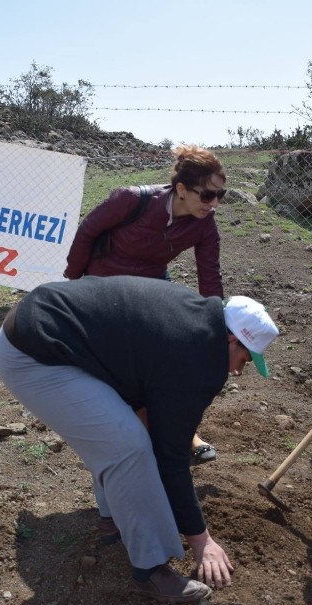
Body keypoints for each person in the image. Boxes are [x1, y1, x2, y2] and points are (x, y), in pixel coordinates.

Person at [0, 275, 280, 602]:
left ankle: (112, 519)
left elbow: (144, 388)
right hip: (34, 355)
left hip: (51, 331)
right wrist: (202, 542)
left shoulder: (196, 321)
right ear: (232, 340)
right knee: (128, 445)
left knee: (123, 428)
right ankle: (151, 570)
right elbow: (171, 458)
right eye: (245, 360)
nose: (238, 371)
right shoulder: (197, 359)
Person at [64, 144, 227, 465]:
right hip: (103, 288)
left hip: (150, 289)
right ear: (181, 189)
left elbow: (210, 277)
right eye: (207, 195)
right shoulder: (130, 199)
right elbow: (86, 233)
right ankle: (130, 432)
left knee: (174, 357)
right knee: (127, 366)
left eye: (221, 195)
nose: (214, 204)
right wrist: (74, 284)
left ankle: (183, 432)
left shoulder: (204, 224)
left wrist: (215, 326)